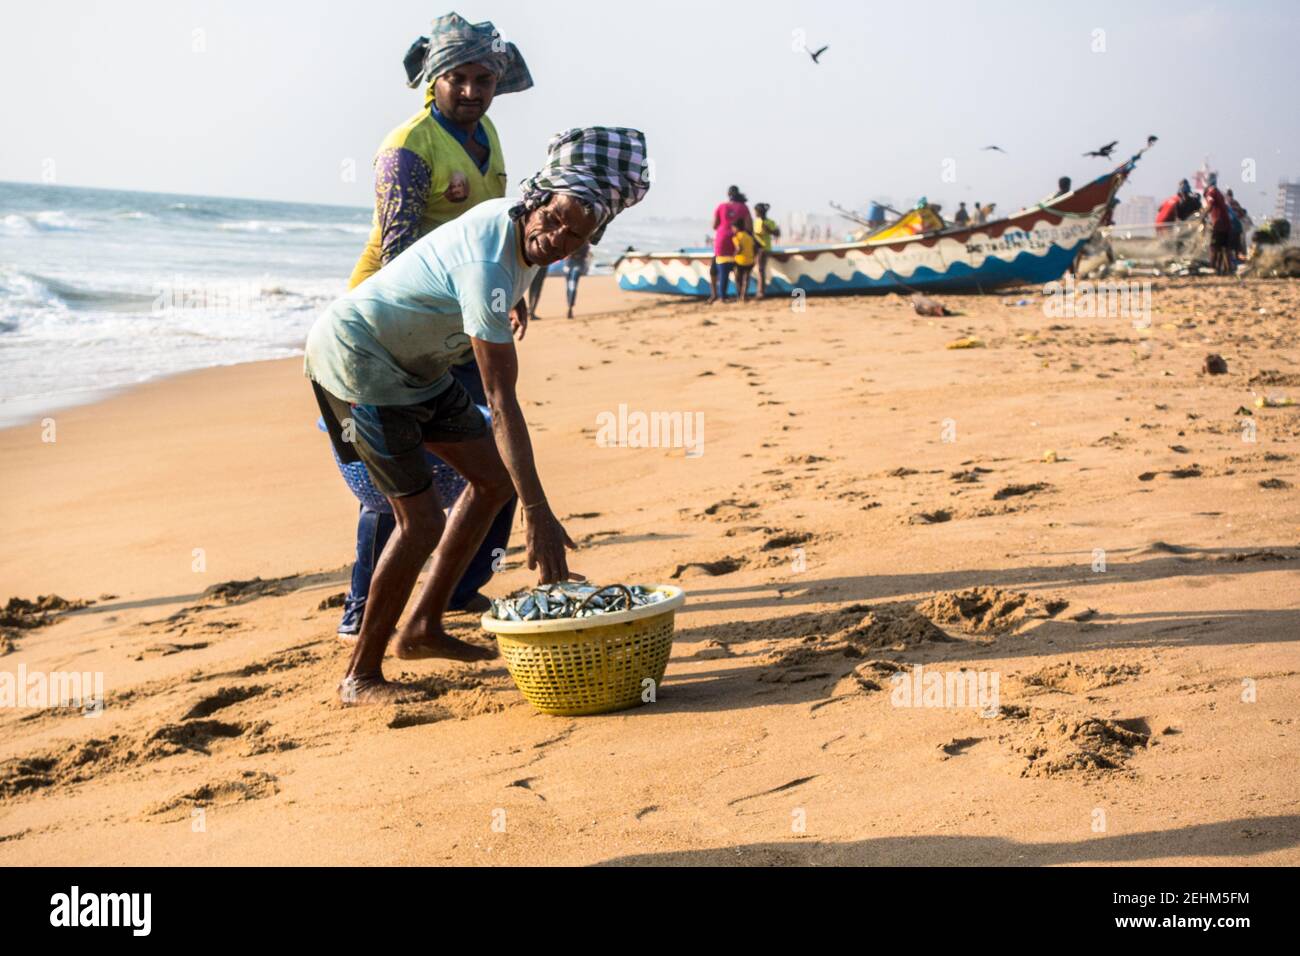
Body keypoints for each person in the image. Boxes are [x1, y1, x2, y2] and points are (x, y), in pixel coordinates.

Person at [304, 126, 650, 704]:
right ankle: (359, 675)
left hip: (416, 362)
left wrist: (515, 296)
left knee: (492, 483)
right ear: (535, 200)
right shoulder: (490, 265)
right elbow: (502, 400)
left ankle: (421, 628)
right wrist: (538, 513)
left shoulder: (516, 228)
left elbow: (492, 257)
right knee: (421, 522)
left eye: (576, 237)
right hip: (357, 356)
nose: (558, 239)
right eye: (554, 221)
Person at [332, 13, 533, 633]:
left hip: (466, 314)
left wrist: (510, 289)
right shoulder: (407, 148)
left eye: (484, 79)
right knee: (395, 476)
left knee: (489, 462)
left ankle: (457, 588)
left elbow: (498, 218)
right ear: (433, 80)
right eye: (459, 79)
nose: (473, 91)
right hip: (393, 328)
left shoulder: (488, 134)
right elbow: (396, 258)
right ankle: (362, 608)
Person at [709, 185, 751, 303]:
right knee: (739, 269)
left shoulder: (721, 206)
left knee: (715, 269)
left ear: (728, 195)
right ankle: (741, 295)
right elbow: (749, 227)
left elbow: (714, 226)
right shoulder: (744, 208)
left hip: (721, 241)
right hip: (738, 240)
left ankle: (715, 295)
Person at [1201, 173, 1232, 274]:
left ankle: (1213, 268)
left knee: (1214, 247)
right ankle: (1227, 270)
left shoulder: (1211, 192)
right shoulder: (1219, 192)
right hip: (1227, 224)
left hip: (1219, 224)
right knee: (1225, 248)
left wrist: (1202, 216)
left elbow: (1210, 206)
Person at [751, 203, 780, 298]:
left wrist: (768, 230)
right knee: (759, 270)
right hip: (755, 249)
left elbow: (777, 233)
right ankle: (759, 290)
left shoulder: (770, 222)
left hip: (764, 248)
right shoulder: (754, 222)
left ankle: (761, 291)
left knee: (760, 270)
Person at [730, 220, 757, 303]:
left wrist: (733, 256)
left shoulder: (736, 237)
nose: (732, 229)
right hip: (750, 260)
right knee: (746, 279)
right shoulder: (749, 236)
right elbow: (754, 248)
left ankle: (739, 296)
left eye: (733, 228)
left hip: (739, 261)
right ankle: (744, 296)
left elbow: (739, 248)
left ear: (737, 228)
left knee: (738, 280)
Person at [563, 242, 590, 318]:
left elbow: (585, 251)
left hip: (576, 263)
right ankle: (569, 306)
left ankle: (570, 307)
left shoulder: (584, 240)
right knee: (570, 286)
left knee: (572, 286)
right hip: (569, 264)